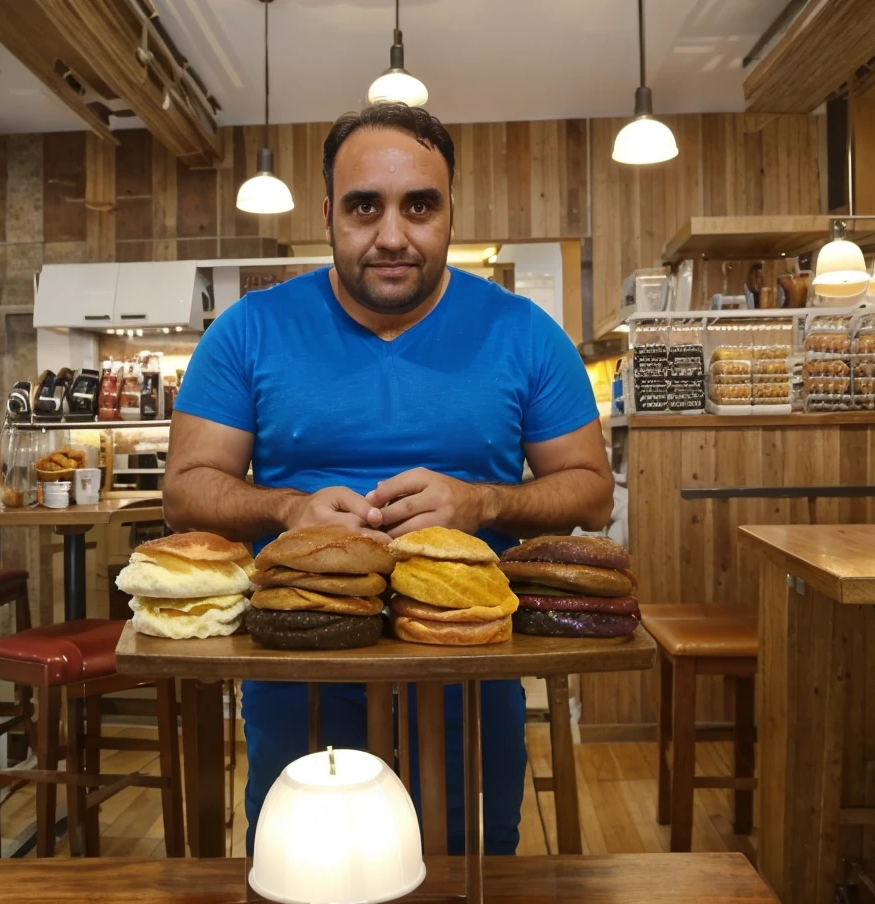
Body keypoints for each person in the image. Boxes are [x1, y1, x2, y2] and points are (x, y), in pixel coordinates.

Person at [163, 102, 614, 855]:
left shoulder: (523, 330)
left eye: (419, 206)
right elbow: (186, 490)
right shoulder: (250, 328)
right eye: (365, 206)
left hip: (469, 665)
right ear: (329, 214)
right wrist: (287, 507)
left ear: (448, 213)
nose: (393, 235)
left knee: (472, 862)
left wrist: (485, 500)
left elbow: (592, 492)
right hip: (298, 666)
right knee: (306, 865)